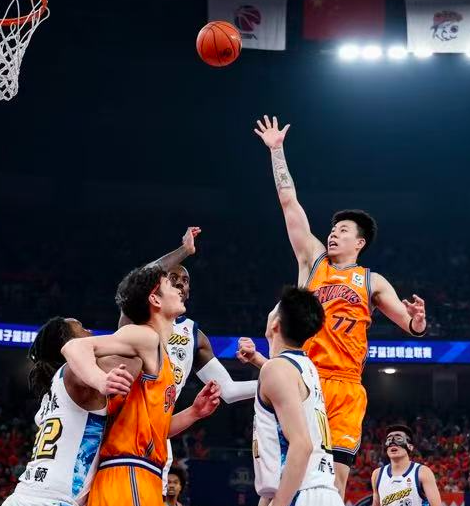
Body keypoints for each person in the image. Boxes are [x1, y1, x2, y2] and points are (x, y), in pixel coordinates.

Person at [240, 115, 429, 497]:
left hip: (345, 386)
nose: (333, 233)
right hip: (304, 376)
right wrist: (277, 151)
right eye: (333, 228)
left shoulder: (371, 280)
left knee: (333, 484)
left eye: (343, 230)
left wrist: (419, 320)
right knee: (281, 477)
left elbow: (410, 326)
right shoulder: (313, 260)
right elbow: (289, 202)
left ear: (359, 243)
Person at [62, 264, 222, 506]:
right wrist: (101, 380)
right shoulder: (145, 336)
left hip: (143, 474)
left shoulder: (161, 353)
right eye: (170, 283)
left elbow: (156, 429)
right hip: (127, 473)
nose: (179, 288)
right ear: (155, 299)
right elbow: (74, 347)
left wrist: (193, 413)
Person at [118, 227, 258, 493]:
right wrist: (185, 251)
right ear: (157, 288)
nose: (181, 283)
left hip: (159, 430)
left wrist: (275, 378)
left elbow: (227, 391)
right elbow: (138, 280)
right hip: (123, 423)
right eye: (173, 278)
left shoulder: (195, 335)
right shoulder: (138, 317)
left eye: (186, 281)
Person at [1, 317, 136, 506]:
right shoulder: (74, 372)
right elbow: (137, 351)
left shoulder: (53, 390)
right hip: (52, 500)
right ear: (68, 344)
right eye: (81, 327)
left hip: (26, 495)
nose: (89, 330)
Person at [253, 287, 344, 506]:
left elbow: (301, 445)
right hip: (317, 490)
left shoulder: (277, 369)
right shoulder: (305, 367)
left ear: (275, 324)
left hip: (301, 492)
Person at [370, 426, 442, 506]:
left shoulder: (422, 472)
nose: (392, 443)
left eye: (399, 439)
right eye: (389, 440)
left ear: (410, 447)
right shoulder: (377, 474)